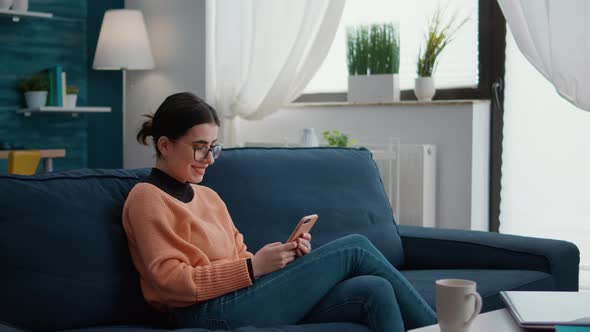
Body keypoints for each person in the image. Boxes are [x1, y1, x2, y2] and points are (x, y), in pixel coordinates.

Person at [122, 92, 437, 331]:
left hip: (240, 296)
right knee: (355, 248)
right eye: (200, 147)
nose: (210, 158)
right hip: (199, 313)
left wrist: (278, 263)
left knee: (375, 289)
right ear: (164, 145)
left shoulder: (209, 197)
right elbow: (170, 282)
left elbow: (240, 257)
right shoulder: (147, 198)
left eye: (214, 146)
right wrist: (253, 268)